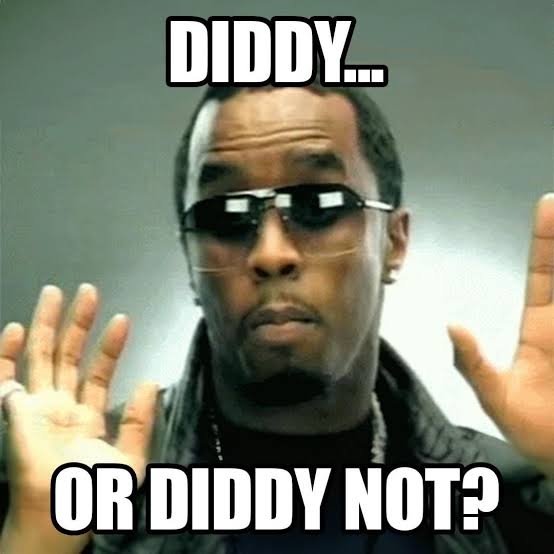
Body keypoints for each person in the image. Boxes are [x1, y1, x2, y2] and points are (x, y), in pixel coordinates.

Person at [0, 81, 552, 554]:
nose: (270, 253)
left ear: (395, 242)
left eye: (319, 204)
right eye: (225, 213)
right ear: (191, 258)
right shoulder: (73, 487)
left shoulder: (516, 500)